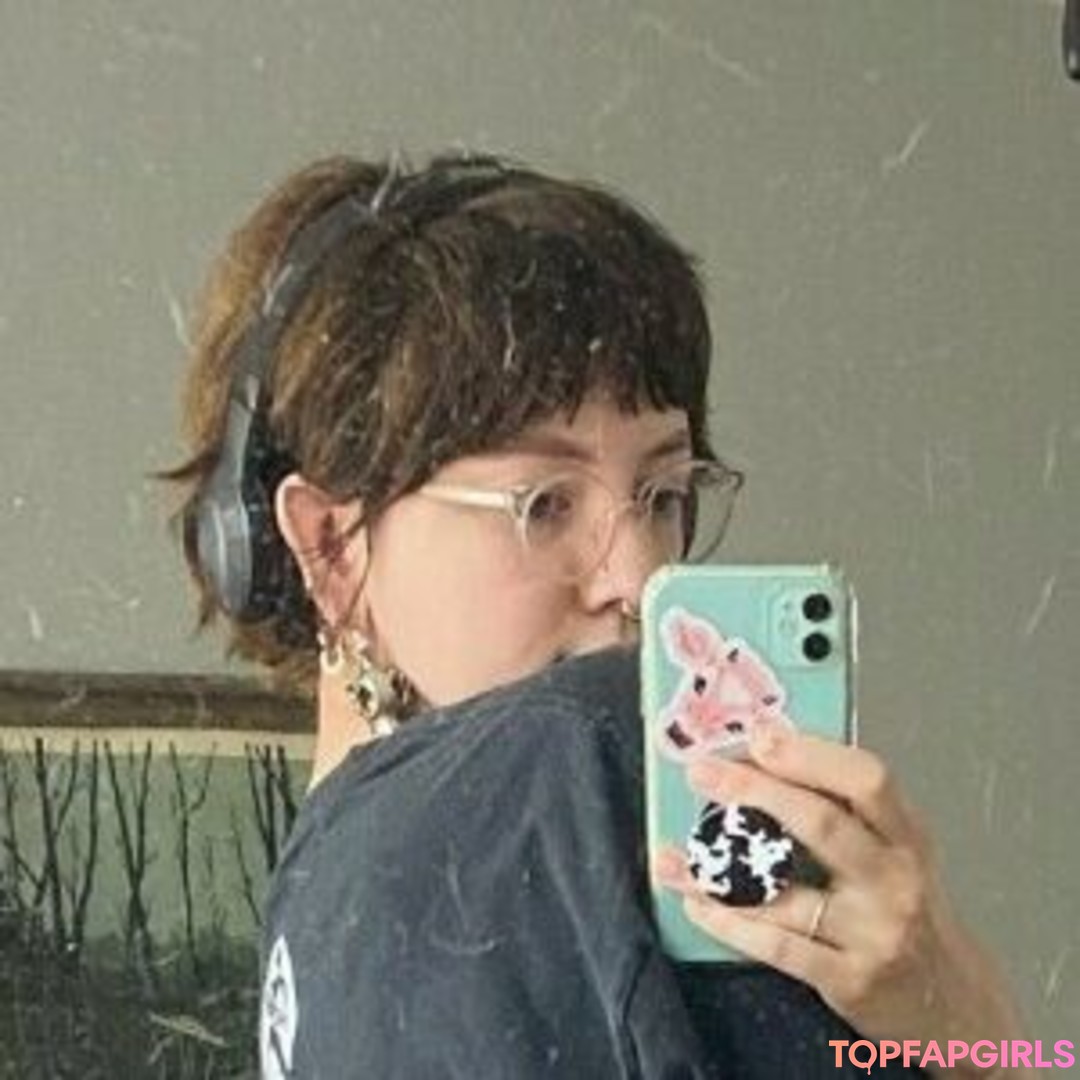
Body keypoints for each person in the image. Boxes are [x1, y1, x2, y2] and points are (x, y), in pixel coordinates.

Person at [163, 152, 1032, 1078]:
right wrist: (976, 1033)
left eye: (663, 494)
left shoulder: (319, 911)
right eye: (544, 504)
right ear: (331, 544)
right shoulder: (570, 762)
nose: (641, 578)